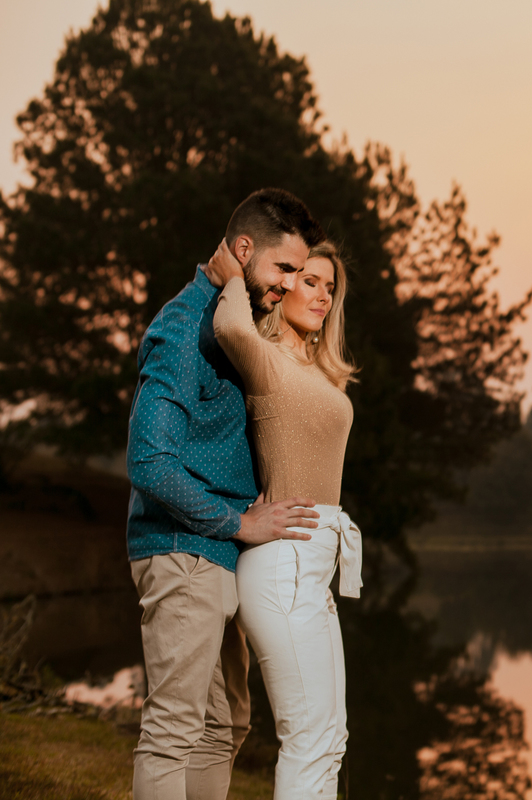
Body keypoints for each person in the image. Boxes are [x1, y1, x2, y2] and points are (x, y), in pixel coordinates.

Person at [126, 188, 326, 800]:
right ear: (243, 250)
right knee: (173, 730)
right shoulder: (183, 329)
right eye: (283, 268)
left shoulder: (225, 322)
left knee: (222, 726)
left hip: (214, 555)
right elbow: (149, 461)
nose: (290, 284)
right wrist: (240, 523)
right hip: (184, 550)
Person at [205, 234, 363, 799]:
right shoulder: (267, 359)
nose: (321, 295)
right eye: (307, 280)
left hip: (312, 568)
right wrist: (233, 274)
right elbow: (230, 327)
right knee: (309, 738)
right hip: (285, 564)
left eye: (329, 287)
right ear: (283, 284)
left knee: (331, 738)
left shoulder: (317, 371)